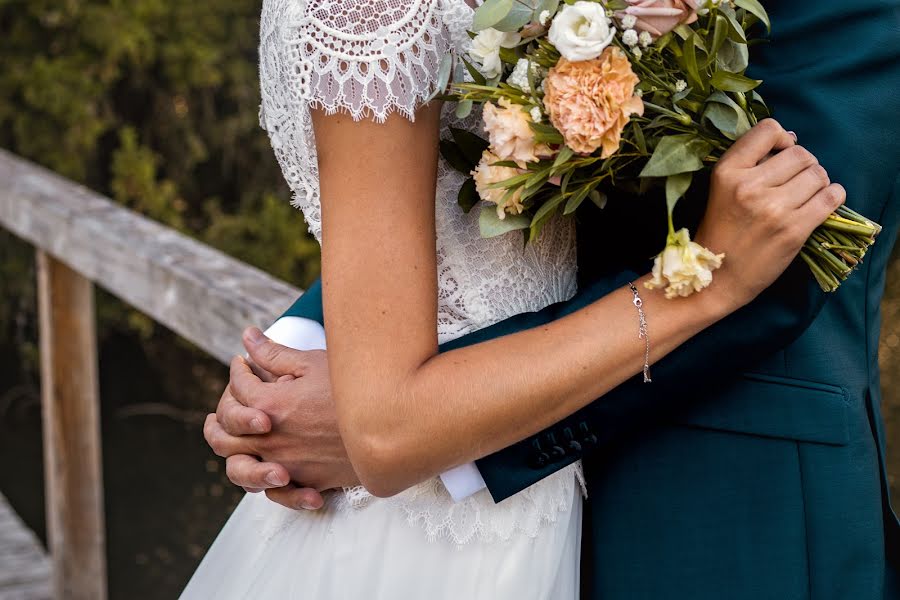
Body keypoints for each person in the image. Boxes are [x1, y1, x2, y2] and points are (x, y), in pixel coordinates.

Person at [189, 0, 900, 598]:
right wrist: (319, 355)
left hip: (727, 500)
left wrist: (414, 419)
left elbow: (790, 248)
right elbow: (442, 191)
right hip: (492, 494)